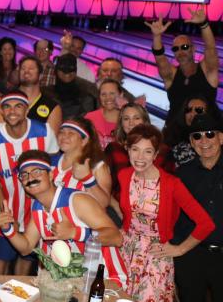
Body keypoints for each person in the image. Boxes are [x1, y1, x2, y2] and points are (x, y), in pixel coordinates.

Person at [0, 150, 128, 289]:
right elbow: (26, 247)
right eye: (24, 175)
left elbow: (116, 237)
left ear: (51, 174)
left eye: (37, 172)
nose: (30, 178)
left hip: (104, 281)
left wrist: (75, 233)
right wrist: (8, 230)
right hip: (71, 284)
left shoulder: (77, 200)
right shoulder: (38, 207)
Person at [119, 124, 216, 301]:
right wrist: (123, 228)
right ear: (128, 150)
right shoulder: (124, 176)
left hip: (156, 256)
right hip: (126, 250)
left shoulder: (172, 184)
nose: (140, 157)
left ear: (156, 155)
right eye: (135, 149)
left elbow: (206, 224)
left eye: (148, 151)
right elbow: (129, 212)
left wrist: (179, 249)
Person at [0, 91, 59, 275]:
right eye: (7, 106)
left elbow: (55, 171)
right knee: (0, 266)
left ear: (27, 109)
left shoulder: (45, 133)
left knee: (24, 266)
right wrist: (6, 215)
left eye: (18, 106)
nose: (12, 111)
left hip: (36, 213)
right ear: (2, 111)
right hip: (8, 212)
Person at [173, 113, 223, 302]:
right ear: (191, 143)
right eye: (197, 136)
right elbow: (174, 216)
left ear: (221, 137)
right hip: (191, 256)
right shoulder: (182, 175)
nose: (204, 140)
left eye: (210, 134)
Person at [147, 7, 219, 128]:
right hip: (176, 131)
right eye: (176, 49)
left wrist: (204, 24)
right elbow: (160, 59)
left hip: (206, 131)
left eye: (185, 47)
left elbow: (211, 49)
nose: (181, 51)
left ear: (193, 49)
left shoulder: (207, 71)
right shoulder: (171, 74)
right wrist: (157, 37)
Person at [51, 117, 113, 208]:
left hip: (81, 221)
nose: (64, 136)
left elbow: (103, 203)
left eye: (71, 133)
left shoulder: (97, 166)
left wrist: (88, 179)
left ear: (84, 140)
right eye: (62, 132)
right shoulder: (49, 161)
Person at [12, 56, 62, 132]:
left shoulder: (53, 107)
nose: (26, 71)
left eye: (31, 68)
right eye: (23, 68)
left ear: (40, 75)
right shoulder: (4, 100)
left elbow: (51, 140)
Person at [51, 54, 97, 119]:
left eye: (71, 67)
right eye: (62, 67)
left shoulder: (86, 97)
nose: (67, 72)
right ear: (56, 70)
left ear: (75, 71)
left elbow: (86, 121)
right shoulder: (46, 93)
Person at [85, 78, 123, 149]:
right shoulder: (89, 118)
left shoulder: (127, 120)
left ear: (121, 95)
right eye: (103, 94)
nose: (108, 98)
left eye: (112, 93)